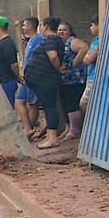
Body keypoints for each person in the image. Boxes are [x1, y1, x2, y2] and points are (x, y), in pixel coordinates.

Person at [23, 17, 65, 149]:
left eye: (41, 25)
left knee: (49, 107)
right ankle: (50, 136)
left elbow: (52, 56)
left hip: (46, 80)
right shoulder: (52, 40)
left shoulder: (51, 39)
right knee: (48, 107)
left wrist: (58, 69)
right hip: (42, 80)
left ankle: (52, 138)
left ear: (45, 26)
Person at [57, 22, 88, 140]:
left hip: (74, 79)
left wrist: (74, 63)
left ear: (70, 31)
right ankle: (68, 128)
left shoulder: (71, 41)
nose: (61, 32)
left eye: (64, 30)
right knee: (64, 104)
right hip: (64, 80)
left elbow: (84, 47)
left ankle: (74, 130)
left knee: (72, 104)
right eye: (59, 30)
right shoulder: (59, 43)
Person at [15, 17, 43, 139]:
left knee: (33, 103)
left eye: (24, 25)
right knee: (19, 100)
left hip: (33, 77)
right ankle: (27, 128)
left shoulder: (38, 39)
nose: (23, 28)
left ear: (31, 26)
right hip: (26, 77)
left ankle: (28, 130)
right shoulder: (30, 41)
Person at [0, 16, 19, 108]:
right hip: (2, 81)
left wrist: (17, 76)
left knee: (8, 106)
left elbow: (14, 64)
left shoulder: (7, 44)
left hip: (7, 81)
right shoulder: (2, 43)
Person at [80, 16, 99, 116]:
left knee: (84, 103)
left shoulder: (101, 42)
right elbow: (85, 59)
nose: (90, 28)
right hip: (90, 76)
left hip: (96, 78)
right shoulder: (95, 40)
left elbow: (90, 58)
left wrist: (91, 56)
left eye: (92, 25)